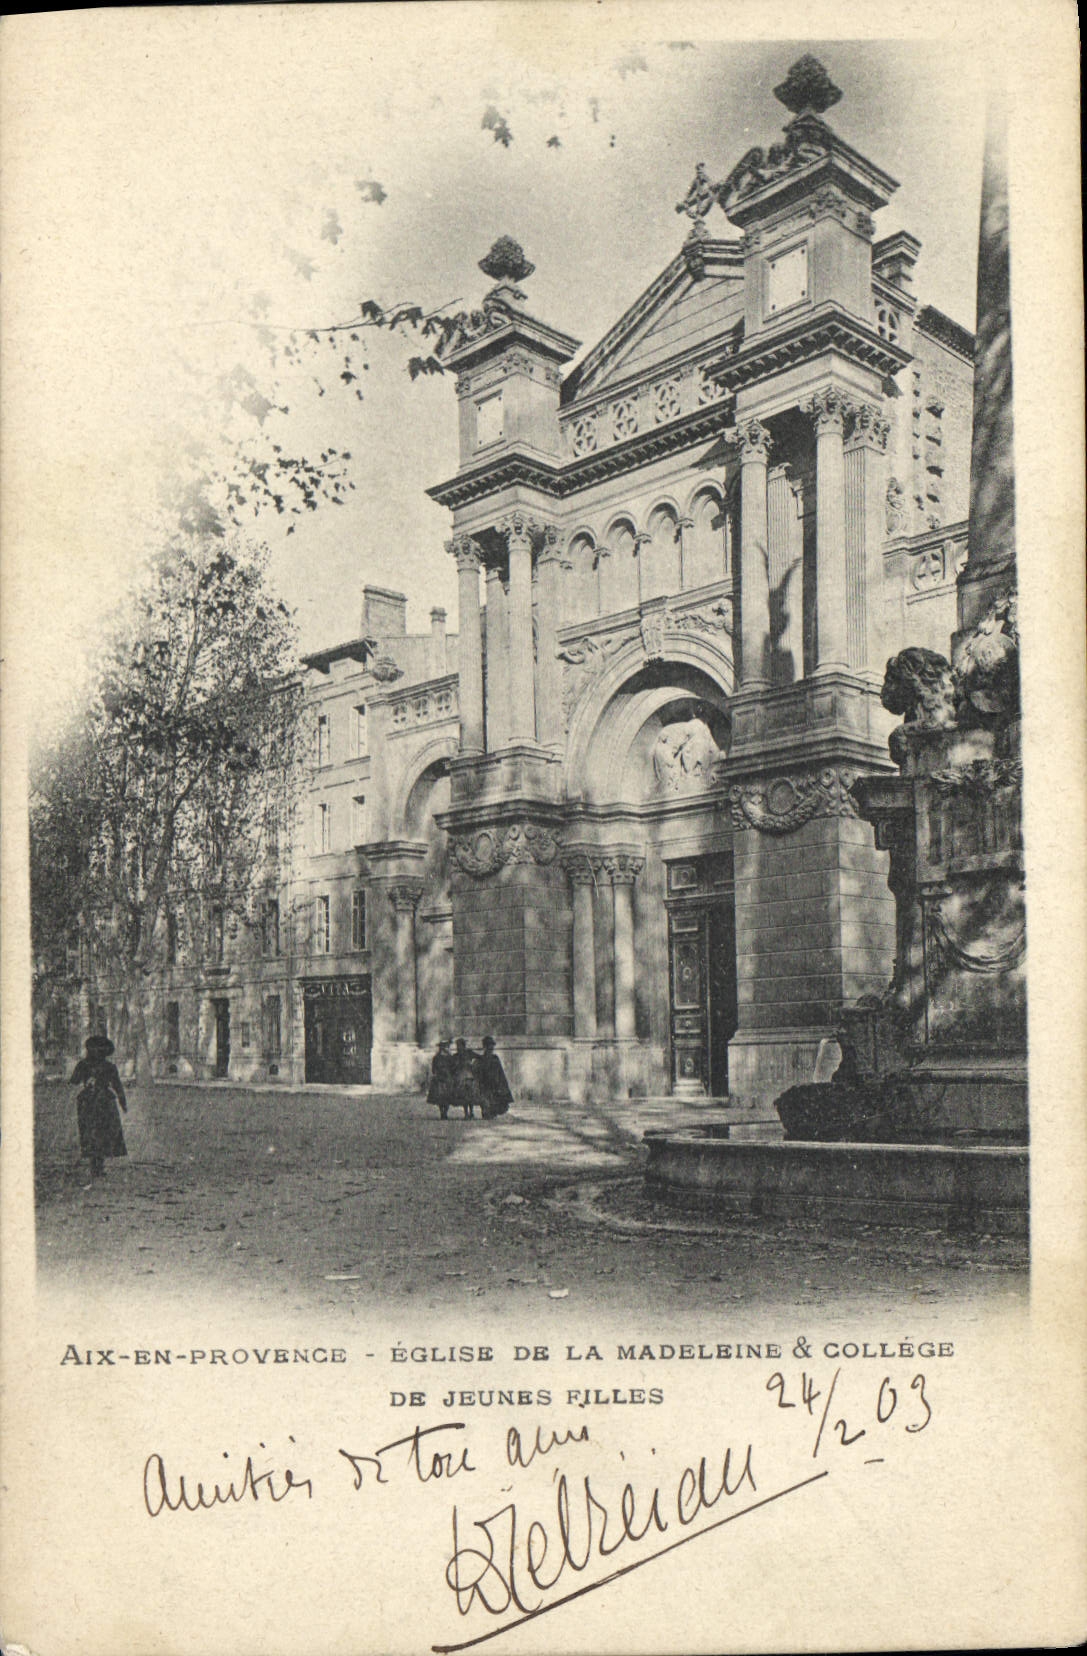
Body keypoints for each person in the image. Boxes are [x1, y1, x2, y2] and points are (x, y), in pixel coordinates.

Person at [68, 1034, 128, 1180]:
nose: (96, 1052)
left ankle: (97, 1165)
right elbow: (74, 1081)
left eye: (99, 1049)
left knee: (98, 1133)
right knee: (93, 1132)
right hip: (92, 1101)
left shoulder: (106, 1066)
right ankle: (96, 1166)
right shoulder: (86, 1065)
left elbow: (117, 1085)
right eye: (94, 1049)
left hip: (100, 1102)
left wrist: (122, 1101)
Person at [477, 1036, 513, 1120]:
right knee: (486, 1099)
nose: (491, 1048)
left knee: (495, 1100)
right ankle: (486, 1111)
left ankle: (491, 1112)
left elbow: (500, 1072)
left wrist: (502, 1085)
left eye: (492, 1046)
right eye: (489, 1046)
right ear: (485, 1047)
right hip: (485, 1084)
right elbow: (479, 1072)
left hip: (495, 1083)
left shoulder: (495, 1058)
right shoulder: (482, 1059)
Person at [451, 1038, 484, 1120]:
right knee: (464, 1096)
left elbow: (480, 1058)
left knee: (471, 1095)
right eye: (457, 1046)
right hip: (461, 1077)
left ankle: (471, 1112)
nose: (458, 1048)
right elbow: (452, 1065)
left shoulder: (469, 1053)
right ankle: (466, 1113)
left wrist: (474, 1064)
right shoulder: (456, 1056)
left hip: (469, 1076)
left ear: (463, 1046)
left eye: (459, 1046)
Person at [426, 1039, 455, 1120]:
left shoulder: (450, 1057)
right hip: (439, 1078)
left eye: (447, 1046)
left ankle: (445, 1112)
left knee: (448, 1096)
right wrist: (437, 1073)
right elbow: (433, 1068)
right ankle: (442, 1111)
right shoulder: (436, 1057)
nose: (446, 1048)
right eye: (444, 1046)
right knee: (439, 1096)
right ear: (441, 1047)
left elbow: (453, 1067)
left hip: (448, 1077)